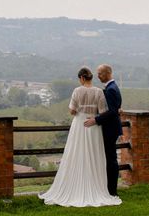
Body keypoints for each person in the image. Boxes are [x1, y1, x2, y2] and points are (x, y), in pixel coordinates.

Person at [39, 67, 122, 207]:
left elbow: (72, 111)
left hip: (79, 124)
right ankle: (97, 187)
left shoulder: (77, 91)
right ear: (90, 77)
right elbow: (102, 111)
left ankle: (76, 185)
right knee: (94, 155)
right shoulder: (99, 92)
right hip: (93, 126)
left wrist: (79, 110)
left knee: (76, 153)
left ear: (82, 78)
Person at [84, 64, 123, 196]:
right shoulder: (113, 87)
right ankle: (108, 189)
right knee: (109, 158)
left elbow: (112, 111)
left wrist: (95, 120)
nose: (98, 76)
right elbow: (116, 108)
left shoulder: (111, 89)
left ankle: (112, 191)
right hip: (111, 128)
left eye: (100, 73)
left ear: (107, 73)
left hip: (110, 129)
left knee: (111, 160)